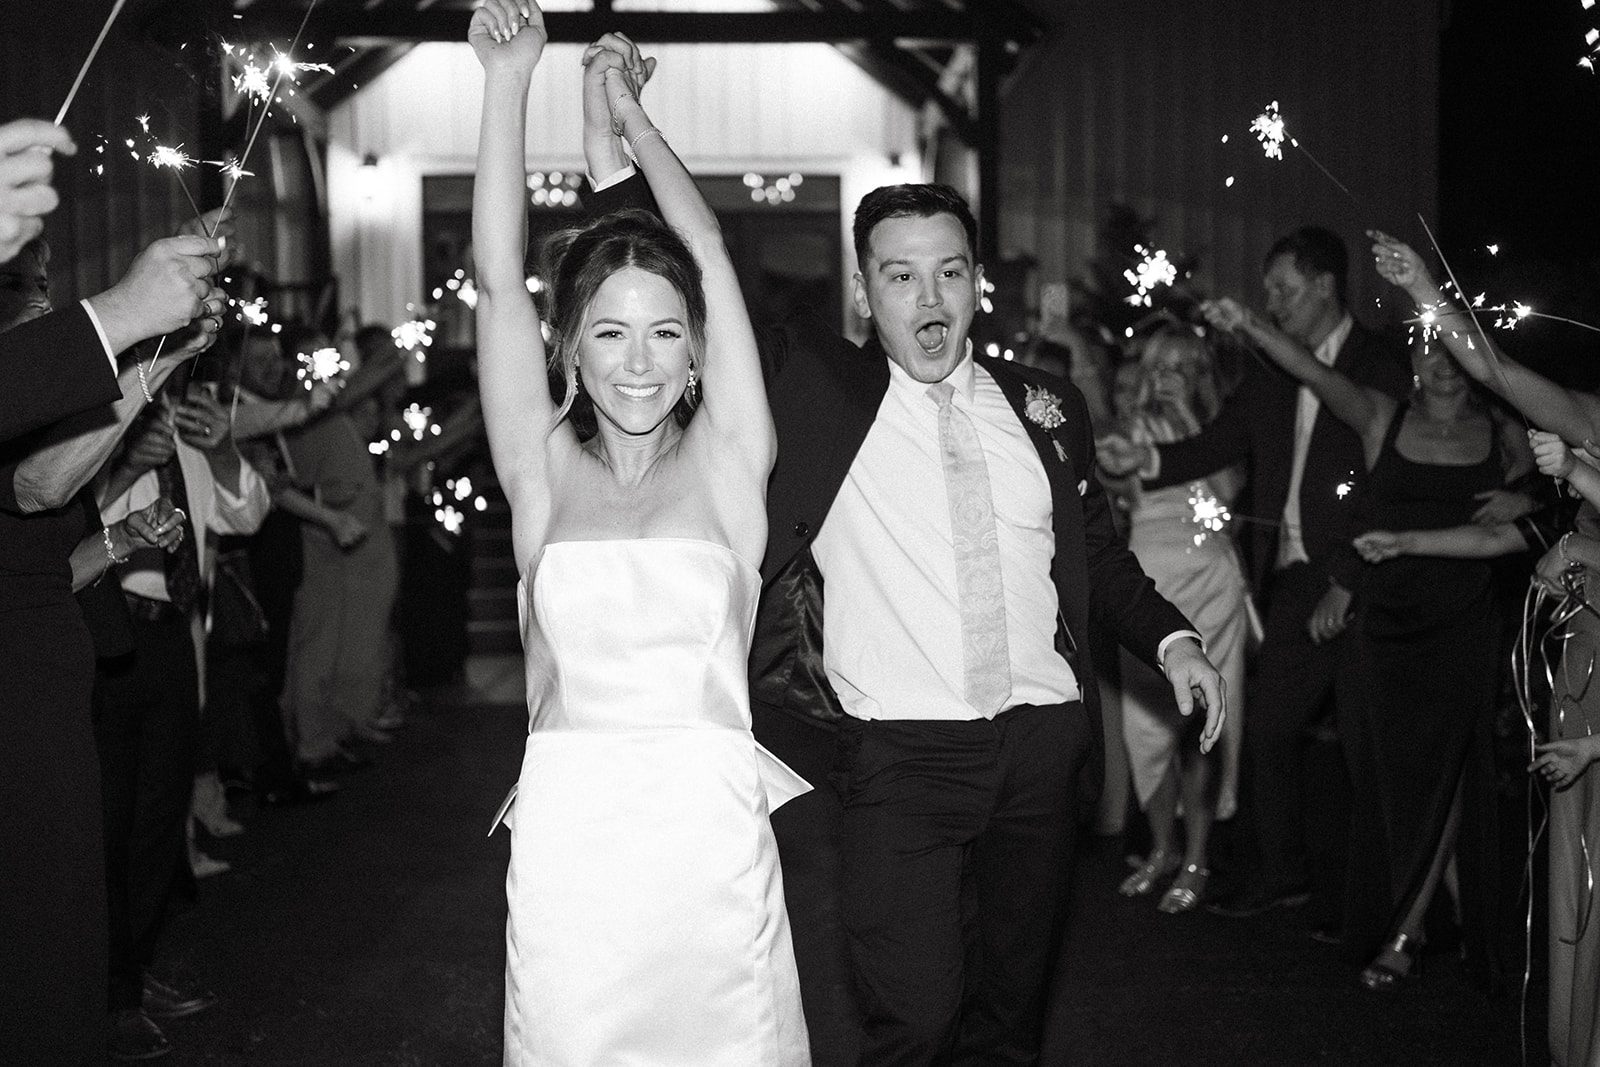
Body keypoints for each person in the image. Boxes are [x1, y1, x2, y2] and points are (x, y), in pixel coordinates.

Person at [583, 43, 1223, 1067]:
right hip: (899, 762)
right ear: (862, 288)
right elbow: (694, 272)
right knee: (913, 1023)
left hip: (1041, 749)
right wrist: (617, 135)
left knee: (1009, 1022)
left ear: (976, 283)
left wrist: (1176, 640)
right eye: (899, 275)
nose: (928, 300)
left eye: (949, 272)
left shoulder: (1040, 406)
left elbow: (1096, 558)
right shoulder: (816, 390)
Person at [470, 5, 809, 1062]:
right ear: (566, 350)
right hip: (572, 846)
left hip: (710, 848)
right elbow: (494, 280)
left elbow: (703, 244)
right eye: (608, 332)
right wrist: (508, 81)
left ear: (699, 353)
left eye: (666, 333)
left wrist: (626, 118)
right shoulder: (540, 470)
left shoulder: (729, 463)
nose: (638, 360)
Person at [1098, 226, 1410, 921]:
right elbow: (1215, 446)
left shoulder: (1377, 363)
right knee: (1267, 730)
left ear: (1325, 286)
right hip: (1293, 577)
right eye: (1268, 291)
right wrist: (1140, 464)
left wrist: (1349, 575)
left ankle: (1392, 898)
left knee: (1369, 743)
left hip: (1368, 574)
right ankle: (1285, 875)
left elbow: (1390, 476)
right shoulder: (1269, 378)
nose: (1271, 302)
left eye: (1282, 289)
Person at [0, 225, 222, 1062]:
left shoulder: (42, 386)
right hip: (19, 708)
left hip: (58, 685)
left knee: (73, 909)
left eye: (52, 275)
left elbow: (47, 547)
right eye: (28, 277)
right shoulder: (23, 381)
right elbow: (40, 483)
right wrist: (132, 322)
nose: (47, 295)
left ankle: (113, 991)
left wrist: (159, 357)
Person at [94, 379, 269, 1059]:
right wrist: (133, 460)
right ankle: (108, 993)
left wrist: (222, 450)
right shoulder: (106, 419)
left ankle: (132, 977)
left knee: (161, 819)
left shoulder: (194, 429)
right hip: (112, 633)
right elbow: (62, 519)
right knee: (112, 820)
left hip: (174, 636)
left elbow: (248, 512)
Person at [1112, 327, 1250, 913]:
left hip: (1210, 584)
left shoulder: (1220, 435)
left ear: (1197, 376)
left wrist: (1192, 432)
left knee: (1202, 726)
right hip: (1148, 590)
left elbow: (1225, 505)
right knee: (1145, 732)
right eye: (1158, 367)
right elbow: (1112, 497)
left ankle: (1197, 856)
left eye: (1180, 369)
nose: (1165, 378)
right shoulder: (1128, 433)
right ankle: (1161, 849)